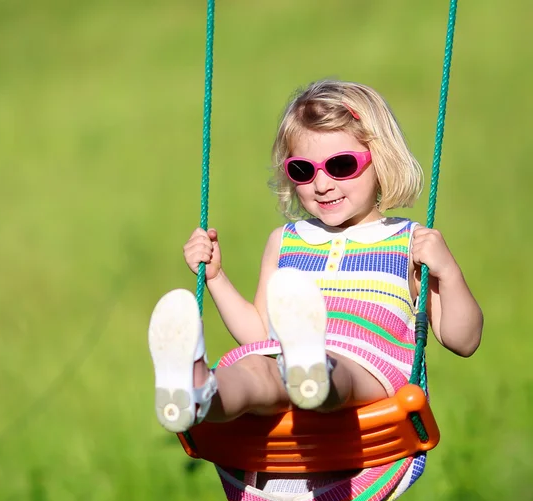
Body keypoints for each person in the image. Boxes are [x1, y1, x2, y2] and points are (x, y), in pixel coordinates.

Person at [148, 78, 483, 435]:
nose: (321, 184)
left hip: (369, 377)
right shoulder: (285, 242)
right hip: (285, 366)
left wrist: (448, 272)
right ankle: (197, 390)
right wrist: (215, 278)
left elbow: (462, 339)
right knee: (254, 372)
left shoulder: (408, 242)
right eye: (303, 171)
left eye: (340, 165)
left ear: (381, 160)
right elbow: (260, 334)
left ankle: (312, 366)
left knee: (338, 369)